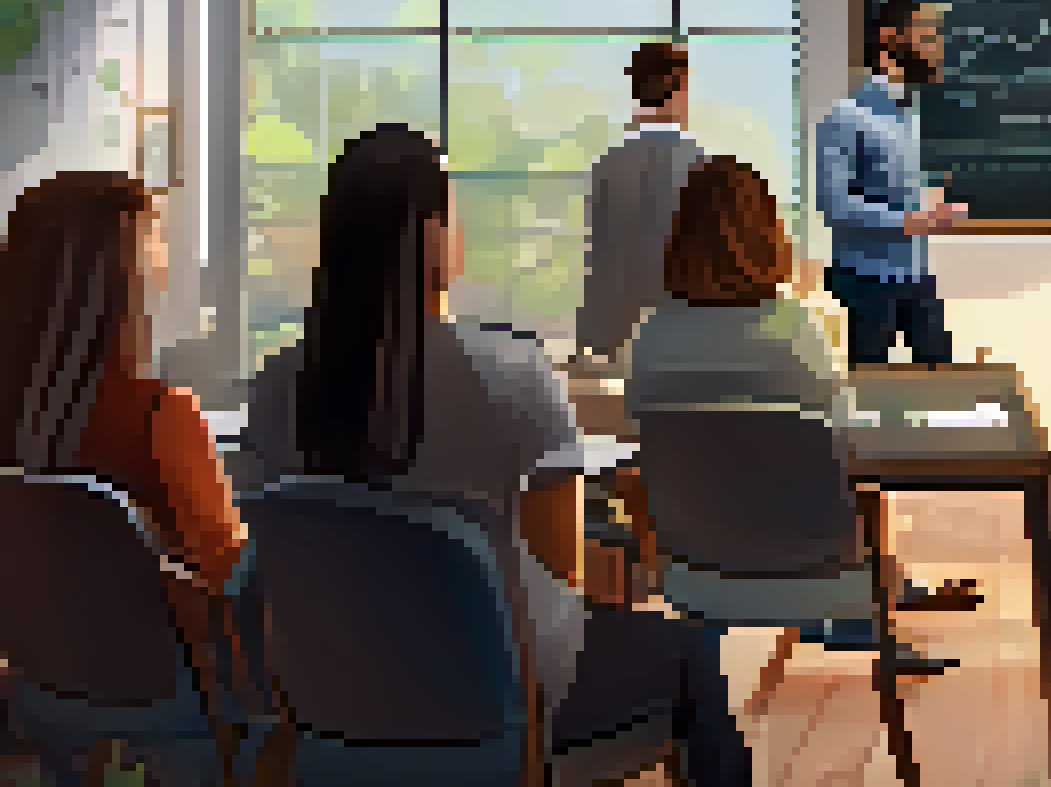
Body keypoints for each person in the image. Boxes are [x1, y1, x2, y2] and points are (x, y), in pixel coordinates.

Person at [239, 124, 753, 783]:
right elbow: (561, 576)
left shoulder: (277, 385)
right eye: (452, 212)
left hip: (334, 697)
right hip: (511, 699)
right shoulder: (513, 377)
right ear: (432, 235)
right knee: (691, 651)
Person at [622, 154, 972, 677]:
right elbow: (849, 445)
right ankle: (864, 611)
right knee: (856, 487)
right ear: (769, 234)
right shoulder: (795, 329)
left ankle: (862, 604)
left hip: (694, 572)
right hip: (815, 566)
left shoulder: (652, 335)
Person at [0, 171, 245, 596]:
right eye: (149, 263)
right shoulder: (158, 418)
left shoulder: (12, 413)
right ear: (124, 286)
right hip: (159, 640)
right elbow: (236, 583)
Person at [815, 0, 967, 369]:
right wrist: (910, 220)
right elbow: (834, 205)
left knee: (942, 382)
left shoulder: (908, 113)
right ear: (889, 39)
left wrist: (929, 202)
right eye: (926, 35)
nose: (936, 46)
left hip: (915, 273)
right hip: (867, 281)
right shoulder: (847, 117)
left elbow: (890, 186)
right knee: (868, 391)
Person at [579, 41, 708, 363]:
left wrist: (590, 341)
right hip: (684, 337)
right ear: (681, 88)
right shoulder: (702, 166)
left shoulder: (608, 165)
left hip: (619, 335)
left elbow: (600, 261)